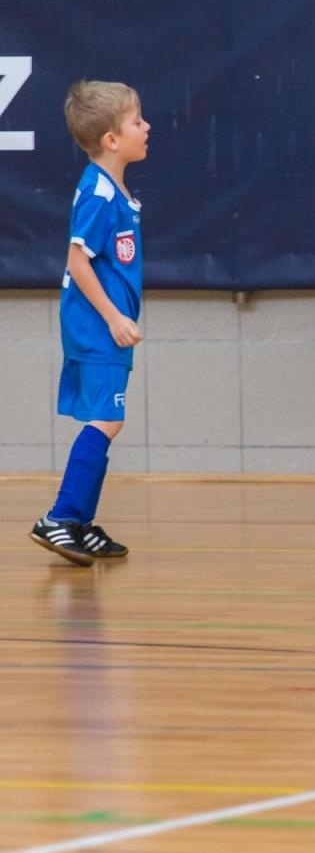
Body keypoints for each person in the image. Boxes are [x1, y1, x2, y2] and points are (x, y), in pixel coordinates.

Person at [30, 80, 150, 566]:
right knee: (107, 417)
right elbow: (78, 262)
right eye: (137, 121)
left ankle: (78, 522)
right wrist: (115, 317)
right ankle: (60, 517)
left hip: (97, 322)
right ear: (111, 139)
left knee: (109, 418)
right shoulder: (99, 194)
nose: (147, 127)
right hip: (96, 324)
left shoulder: (111, 188)